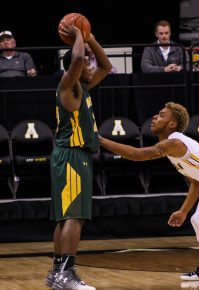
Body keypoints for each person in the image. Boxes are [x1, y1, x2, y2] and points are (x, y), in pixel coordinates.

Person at [99, 102, 199, 288]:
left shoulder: (175, 142)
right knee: (197, 219)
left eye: (161, 115)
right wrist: (183, 211)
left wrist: (100, 140)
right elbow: (196, 181)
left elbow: (138, 155)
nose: (155, 117)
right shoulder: (172, 148)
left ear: (172, 124)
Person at [45, 20, 112, 290]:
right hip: (71, 156)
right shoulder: (68, 86)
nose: (90, 66)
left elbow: (107, 66)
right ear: (75, 67)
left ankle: (56, 271)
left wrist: (91, 38)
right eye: (87, 63)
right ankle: (65, 274)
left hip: (72, 156)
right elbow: (75, 57)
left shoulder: (83, 87)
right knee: (74, 216)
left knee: (68, 217)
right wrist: (76, 35)